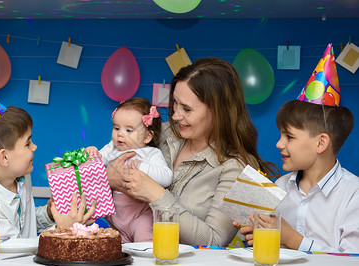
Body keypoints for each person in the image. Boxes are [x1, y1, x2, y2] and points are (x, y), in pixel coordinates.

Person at [105, 58, 278, 247]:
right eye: (175, 104)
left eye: (186, 109)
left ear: (219, 111)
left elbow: (215, 241)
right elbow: (94, 166)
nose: (175, 115)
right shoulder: (156, 134)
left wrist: (156, 195)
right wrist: (109, 177)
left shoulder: (241, 168)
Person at [0, 70, 95, 239]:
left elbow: (21, 224)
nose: (35, 147)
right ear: (4, 157)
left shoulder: (19, 177)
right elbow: (17, 250)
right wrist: (61, 228)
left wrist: (49, 214)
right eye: (28, 143)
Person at [239, 99, 358, 253]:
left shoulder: (353, 194)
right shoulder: (280, 186)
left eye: (289, 137)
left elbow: (353, 261)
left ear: (321, 143)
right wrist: (259, 236)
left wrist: (292, 239)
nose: (279, 144)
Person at [86, 97, 173, 242]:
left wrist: (142, 167)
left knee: (144, 246)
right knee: (117, 253)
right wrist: (92, 153)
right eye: (116, 128)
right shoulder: (112, 148)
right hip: (114, 219)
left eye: (128, 130)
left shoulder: (151, 153)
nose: (120, 134)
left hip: (140, 216)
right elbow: (95, 165)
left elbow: (167, 177)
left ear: (147, 136)